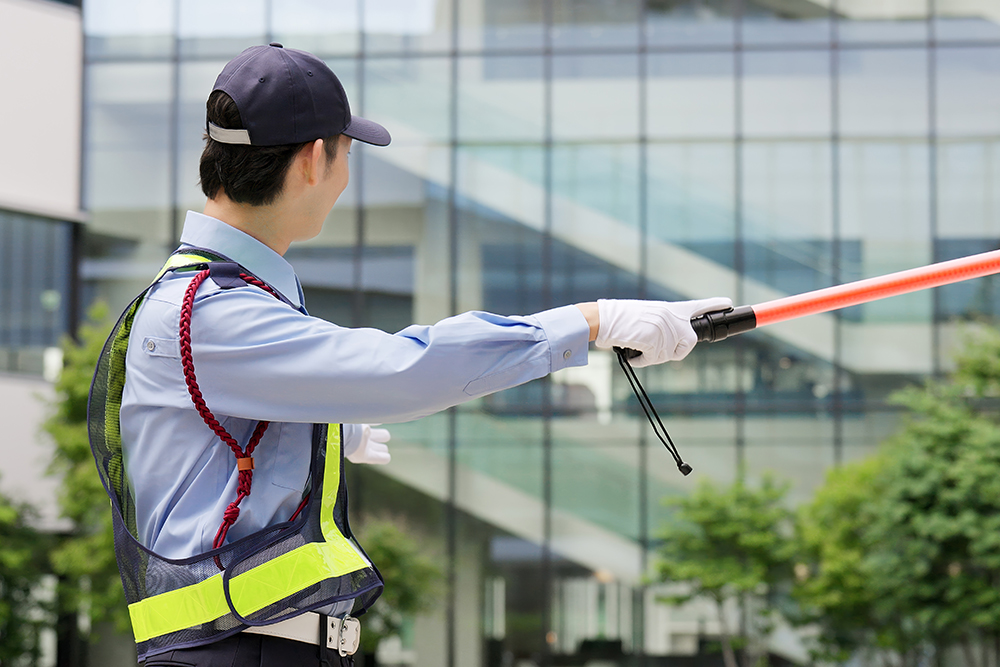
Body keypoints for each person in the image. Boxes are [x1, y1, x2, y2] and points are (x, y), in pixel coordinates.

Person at [88, 43, 731, 667]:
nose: (343, 177)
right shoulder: (211, 310)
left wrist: (319, 436)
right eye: (346, 155)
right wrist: (590, 322)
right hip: (235, 653)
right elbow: (403, 368)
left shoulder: (209, 298)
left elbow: (223, 457)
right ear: (315, 160)